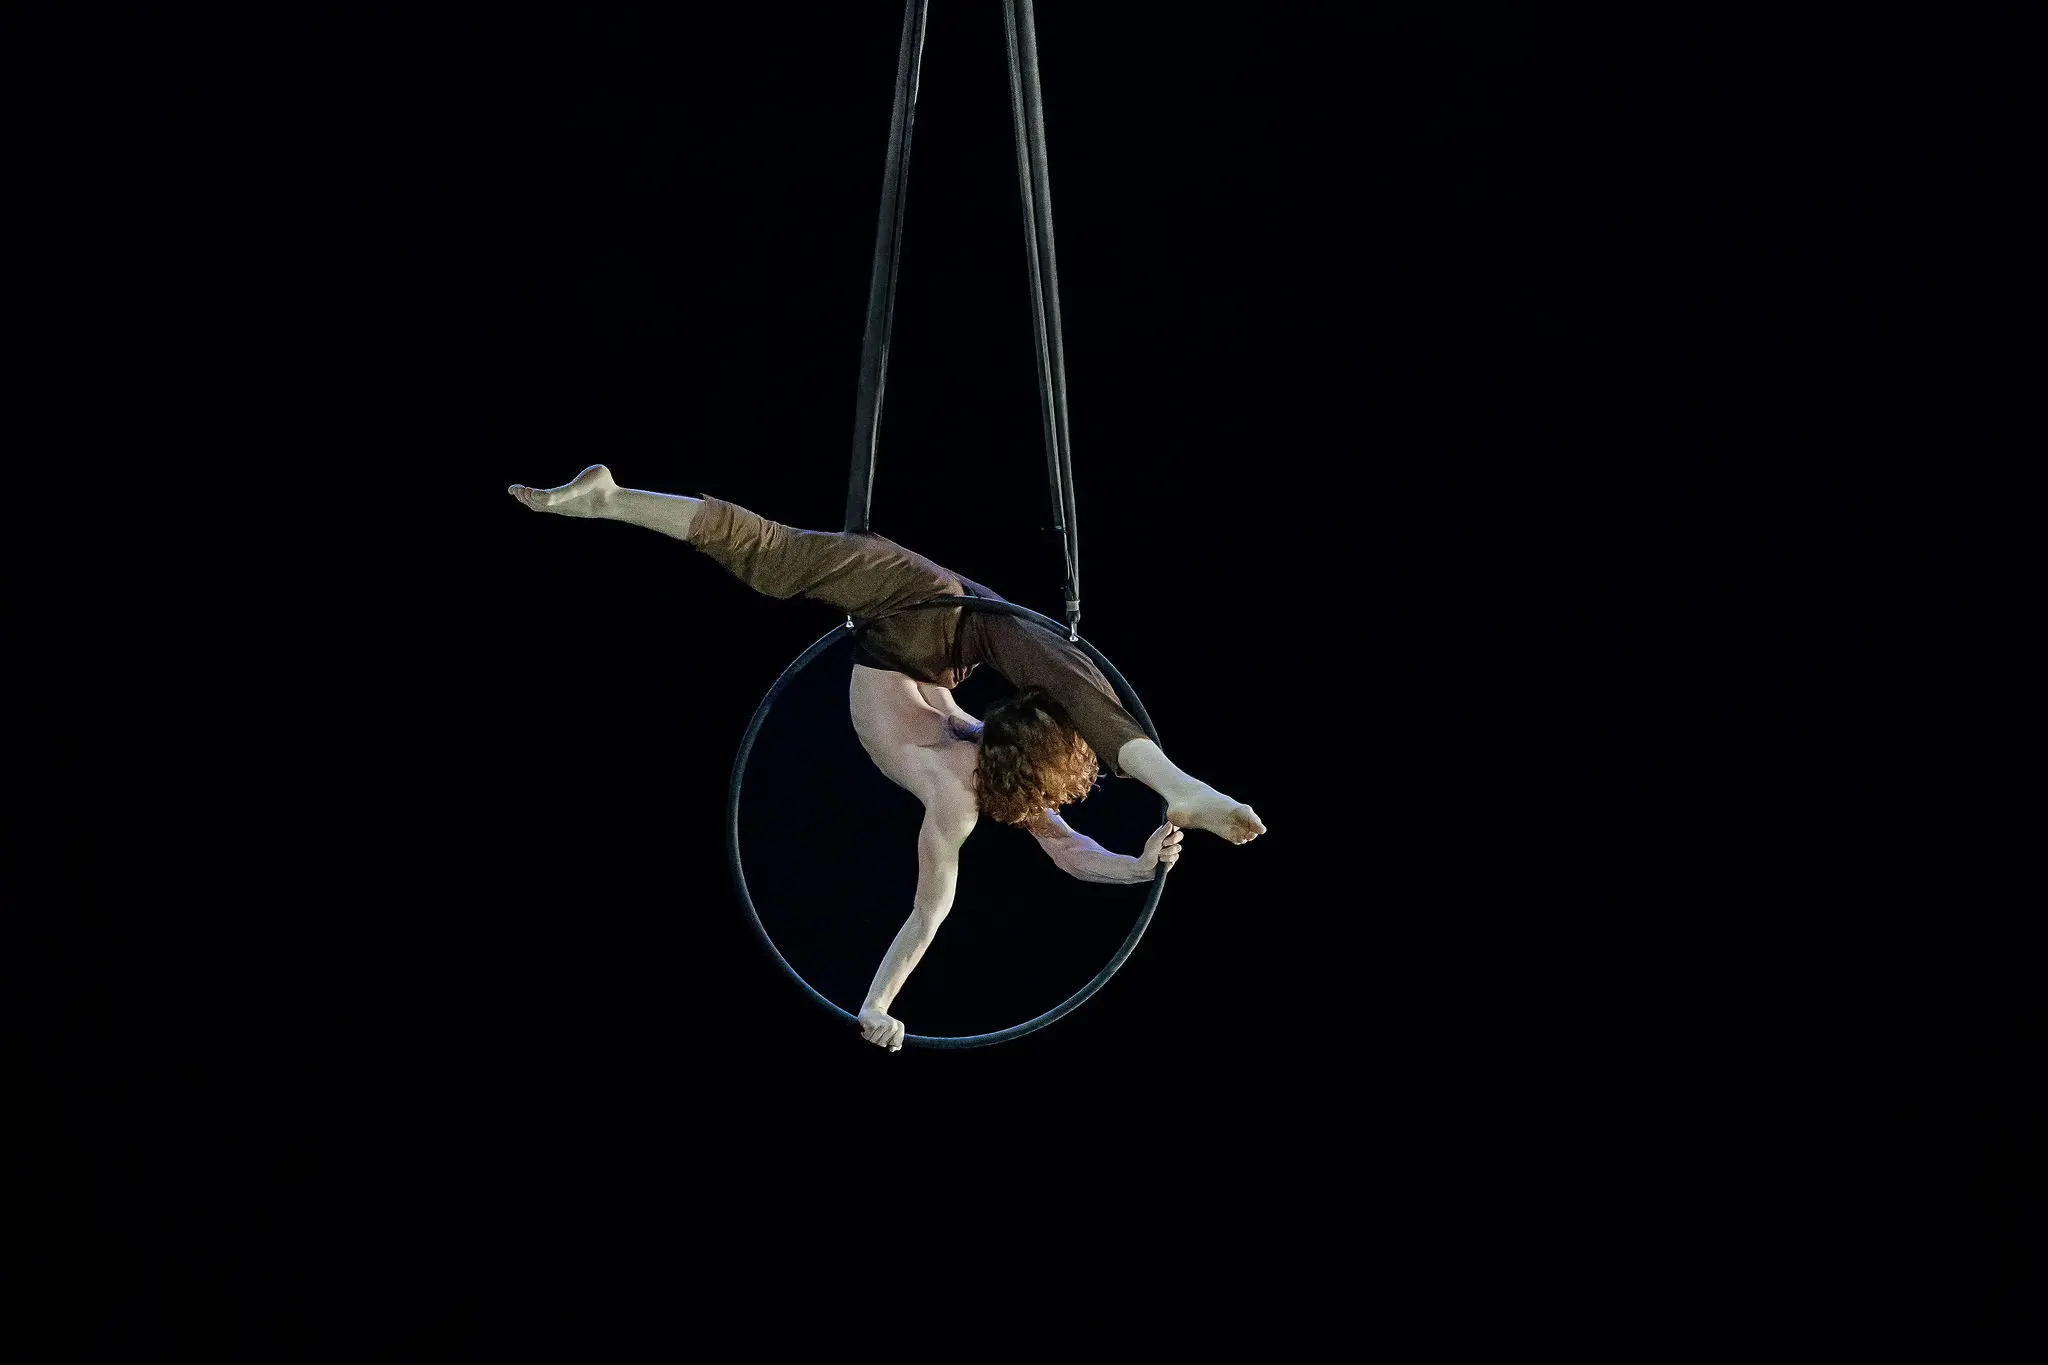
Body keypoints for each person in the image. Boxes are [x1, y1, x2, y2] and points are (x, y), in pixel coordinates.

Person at [509, 465, 1265, 1050]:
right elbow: (931, 913)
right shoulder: (957, 797)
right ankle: (1175, 782)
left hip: (942, 622)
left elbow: (1062, 852)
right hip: (916, 629)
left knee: (1050, 665)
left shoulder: (974, 768)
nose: (1052, 809)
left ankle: (1177, 783)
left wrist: (1137, 867)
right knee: (788, 561)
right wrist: (878, 1002)